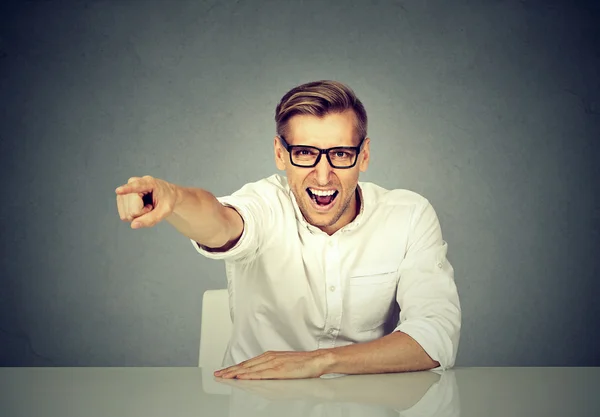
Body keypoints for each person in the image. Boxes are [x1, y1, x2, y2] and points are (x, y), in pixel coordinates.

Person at [115, 80, 461, 380]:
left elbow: (435, 336)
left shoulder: (409, 215)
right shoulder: (263, 203)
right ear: (281, 154)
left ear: (364, 155)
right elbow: (220, 223)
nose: (323, 176)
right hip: (259, 403)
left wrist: (318, 362)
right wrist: (175, 199)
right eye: (305, 153)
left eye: (340, 154)